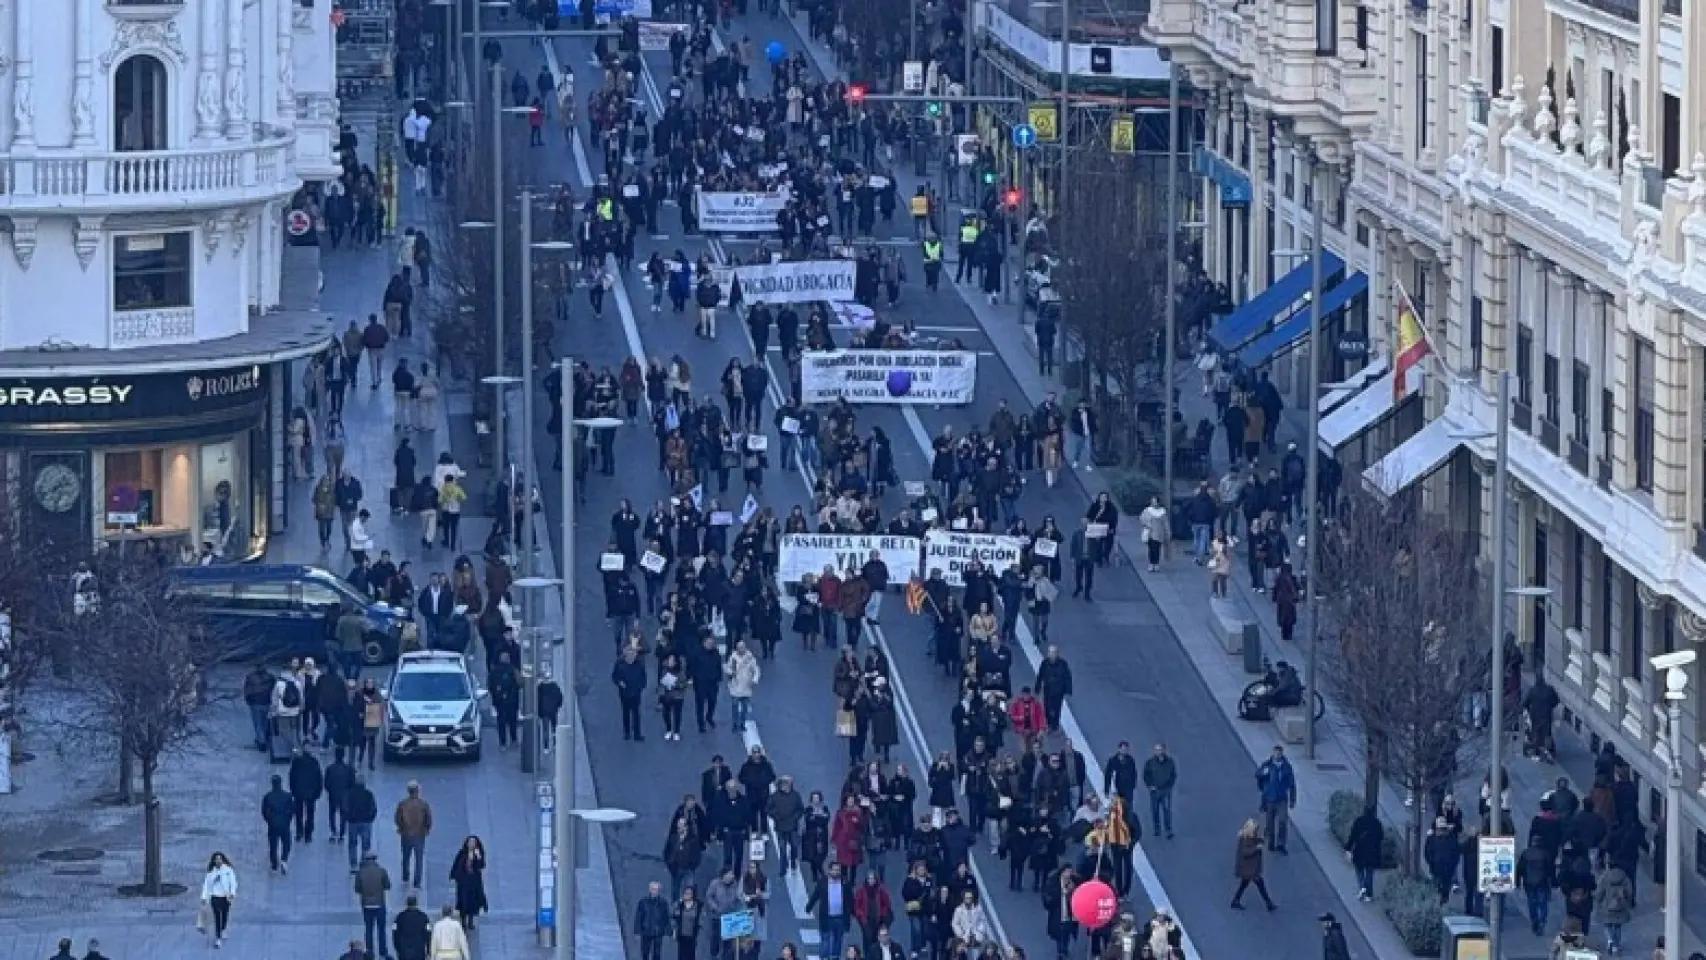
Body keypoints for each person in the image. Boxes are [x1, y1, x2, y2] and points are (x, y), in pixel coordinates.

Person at [806, 861, 853, 960]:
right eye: (834, 870)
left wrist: (852, 913)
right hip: (826, 916)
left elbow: (850, 899)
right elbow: (816, 895)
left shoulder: (845, 882)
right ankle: (824, 957)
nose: (836, 872)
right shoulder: (823, 882)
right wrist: (809, 907)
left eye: (838, 870)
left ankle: (835, 957)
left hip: (840, 917)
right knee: (825, 939)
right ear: (829, 870)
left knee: (838, 939)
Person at [1256, 745, 1297, 852]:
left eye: (1279, 753)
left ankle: (1281, 844)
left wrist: (1292, 800)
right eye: (1275, 752)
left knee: (1283, 821)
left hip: (1282, 799)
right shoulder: (1267, 765)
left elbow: (1292, 784)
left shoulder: (1287, 767)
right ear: (1273, 753)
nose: (1277, 755)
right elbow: (1258, 774)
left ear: (1282, 754)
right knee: (1270, 822)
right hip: (1270, 798)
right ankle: (1271, 842)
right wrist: (1262, 774)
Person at [1230, 819, 1277, 910]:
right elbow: (1246, 852)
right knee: (1260, 884)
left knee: (1244, 884)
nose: (1256, 832)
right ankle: (1269, 903)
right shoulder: (1245, 839)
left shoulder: (1249, 836)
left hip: (1249, 867)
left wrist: (1263, 837)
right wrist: (1256, 848)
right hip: (1249, 868)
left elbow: (1257, 841)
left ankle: (1236, 900)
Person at [396, 780, 433, 891]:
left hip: (406, 834)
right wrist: (426, 829)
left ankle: (405, 876)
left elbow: (397, 818)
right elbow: (429, 818)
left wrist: (401, 827)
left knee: (406, 857)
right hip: (419, 834)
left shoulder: (402, 804)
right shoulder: (423, 804)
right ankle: (417, 882)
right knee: (419, 859)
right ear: (417, 791)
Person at [356, 851, 394, 958]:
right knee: (381, 929)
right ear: (374, 859)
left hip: (366, 905)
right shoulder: (381, 871)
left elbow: (357, 889)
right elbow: (388, 886)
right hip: (379, 904)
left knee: (368, 928)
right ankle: (382, 950)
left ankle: (369, 951)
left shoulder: (360, 873)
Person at [1344, 803, 1384, 901]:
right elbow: (1381, 837)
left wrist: (1348, 848)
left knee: (1359, 870)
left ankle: (1362, 887)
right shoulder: (1377, 823)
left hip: (1360, 851)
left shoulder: (1359, 821)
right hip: (1373, 852)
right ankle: (1368, 894)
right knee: (1369, 872)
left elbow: (1352, 836)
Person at [199, 852, 238, 947]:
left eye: (220, 859)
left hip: (225, 897)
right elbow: (206, 885)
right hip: (215, 897)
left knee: (225, 915)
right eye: (216, 859)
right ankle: (218, 938)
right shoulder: (211, 872)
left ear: (223, 860)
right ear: (214, 861)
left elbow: (233, 882)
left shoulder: (228, 870)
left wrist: (232, 893)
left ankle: (223, 929)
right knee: (217, 917)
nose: (218, 861)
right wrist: (204, 897)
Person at [449, 836, 488, 930]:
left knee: (472, 902)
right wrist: (453, 875)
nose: (471, 844)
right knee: (463, 900)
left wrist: (478, 857)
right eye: (470, 842)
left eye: (473, 842)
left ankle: (470, 921)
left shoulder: (478, 853)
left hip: (474, 881)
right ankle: (463, 921)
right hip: (463, 881)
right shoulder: (462, 853)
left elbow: (481, 865)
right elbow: (456, 864)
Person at [345, 772, 380, 872]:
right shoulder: (369, 794)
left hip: (353, 822)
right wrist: (371, 818)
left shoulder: (350, 793)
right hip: (366, 822)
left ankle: (353, 864)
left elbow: (345, 806)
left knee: (352, 843)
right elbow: (373, 807)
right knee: (366, 844)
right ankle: (364, 862)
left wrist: (348, 817)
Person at [288, 746, 323, 842]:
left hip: (298, 792)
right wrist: (318, 791)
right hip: (311, 793)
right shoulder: (314, 762)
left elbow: (292, 776)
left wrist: (293, 790)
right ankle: (308, 834)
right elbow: (319, 778)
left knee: (299, 813)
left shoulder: (296, 762)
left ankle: (299, 831)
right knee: (310, 814)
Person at [261, 773, 294, 874]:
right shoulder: (287, 796)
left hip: (273, 824)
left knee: (273, 845)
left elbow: (264, 811)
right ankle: (284, 860)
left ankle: (274, 864)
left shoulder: (268, 797)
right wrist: (287, 820)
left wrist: (269, 820)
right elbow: (292, 810)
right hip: (284, 824)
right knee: (286, 843)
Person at [1143, 742, 1177, 839]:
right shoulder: (1150, 762)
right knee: (1155, 811)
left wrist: (1169, 786)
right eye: (1156, 750)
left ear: (1164, 750)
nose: (1158, 751)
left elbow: (1173, 775)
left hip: (1165, 791)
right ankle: (1157, 829)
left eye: (1160, 749)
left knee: (1166, 811)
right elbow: (1146, 775)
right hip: (1154, 791)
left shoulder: (1170, 762)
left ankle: (1168, 830)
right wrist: (1150, 786)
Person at [635, 879, 672, 960]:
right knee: (645, 953)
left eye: (656, 889)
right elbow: (638, 917)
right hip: (646, 930)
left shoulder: (663, 903)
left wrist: (669, 931)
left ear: (659, 891)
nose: (654, 891)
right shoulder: (643, 902)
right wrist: (637, 931)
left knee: (657, 954)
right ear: (649, 889)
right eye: (653, 889)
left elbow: (666, 917)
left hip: (658, 931)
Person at [393, 894, 432, 960]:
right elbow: (428, 933)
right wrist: (428, 950)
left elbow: (395, 933)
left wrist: (397, 949)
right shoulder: (424, 917)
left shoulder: (399, 917)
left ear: (406, 903)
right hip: (419, 950)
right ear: (416, 903)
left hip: (404, 951)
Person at [1138, 497, 1169, 572]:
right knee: (1151, 549)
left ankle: (1156, 563)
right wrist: (1146, 524)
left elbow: (1165, 523)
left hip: (1159, 533)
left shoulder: (1162, 511)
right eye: (1152, 502)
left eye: (1155, 502)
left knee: (1157, 549)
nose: (1154, 503)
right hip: (1150, 533)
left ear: (1158, 502)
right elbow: (1141, 519)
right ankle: (1151, 563)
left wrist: (1167, 532)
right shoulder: (1147, 510)